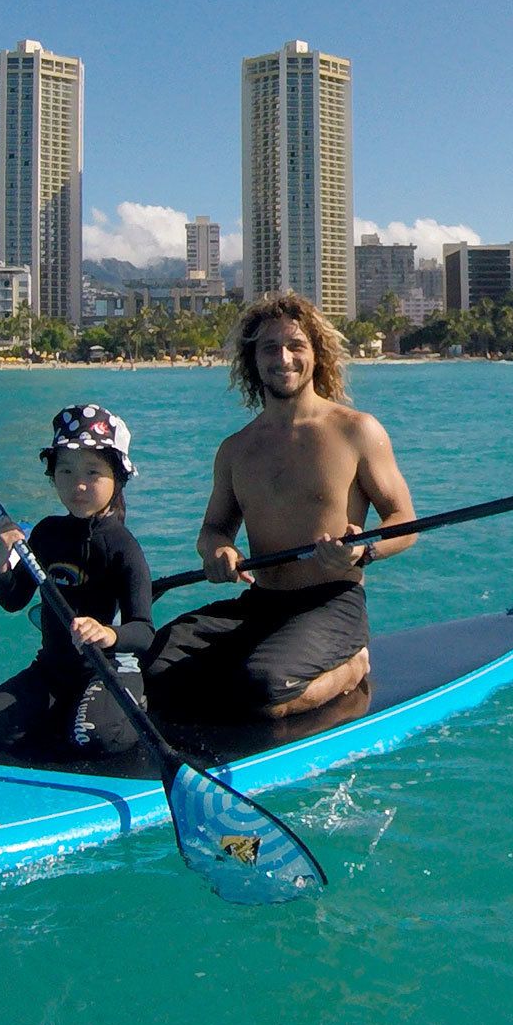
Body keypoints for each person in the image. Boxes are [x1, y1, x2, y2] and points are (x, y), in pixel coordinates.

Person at [144, 293, 414, 719]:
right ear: (252, 360)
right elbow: (214, 529)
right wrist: (217, 552)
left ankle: (351, 665)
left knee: (266, 691)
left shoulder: (356, 430)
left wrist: (365, 547)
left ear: (316, 355)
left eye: (295, 346)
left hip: (332, 600)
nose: (283, 358)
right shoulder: (236, 450)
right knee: (156, 667)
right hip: (261, 602)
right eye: (270, 348)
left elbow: (404, 522)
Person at [0, 406, 155, 759]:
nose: (77, 484)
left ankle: (125, 706)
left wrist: (108, 634)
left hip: (109, 669)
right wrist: (0, 559)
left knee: (95, 738)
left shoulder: (123, 547)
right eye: (65, 470)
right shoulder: (48, 533)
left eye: (93, 472)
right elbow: (13, 599)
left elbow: (143, 632)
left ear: (118, 478)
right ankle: (68, 714)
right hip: (54, 670)